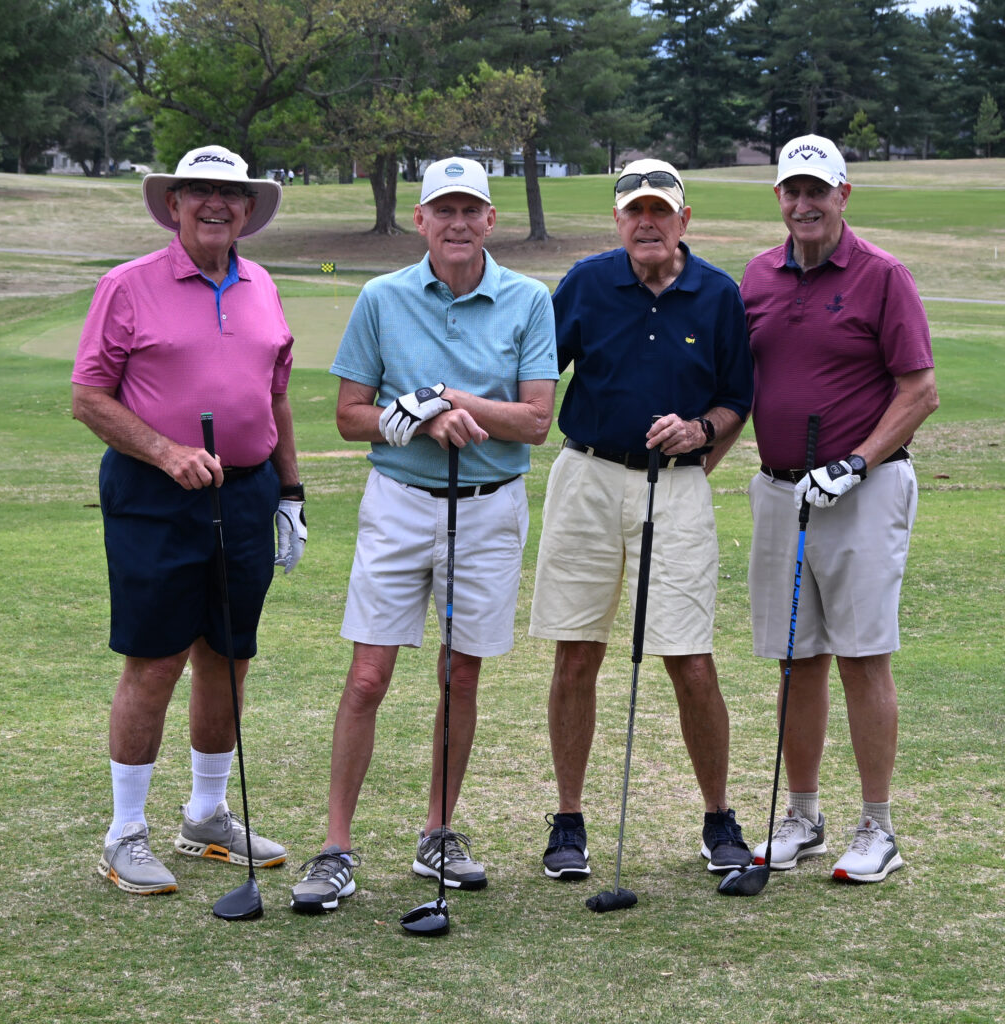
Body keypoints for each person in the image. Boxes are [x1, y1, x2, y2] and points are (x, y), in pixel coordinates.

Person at [290, 157, 557, 914]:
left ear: (491, 219)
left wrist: (443, 398)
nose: (458, 223)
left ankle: (438, 830)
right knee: (367, 677)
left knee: (459, 674)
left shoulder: (529, 299)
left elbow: (536, 421)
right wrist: (413, 419)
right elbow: (350, 416)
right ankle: (337, 847)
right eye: (444, 210)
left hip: (489, 506)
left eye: (471, 209)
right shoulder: (382, 297)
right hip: (400, 503)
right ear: (421, 220)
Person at [71, 144, 306, 896]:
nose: (215, 204)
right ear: (173, 204)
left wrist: (290, 492)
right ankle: (125, 833)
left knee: (228, 656)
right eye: (198, 191)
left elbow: (275, 397)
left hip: (246, 493)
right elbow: (89, 397)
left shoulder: (262, 284)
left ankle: (206, 815)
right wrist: (166, 452)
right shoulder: (127, 285)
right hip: (154, 494)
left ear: (248, 209)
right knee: (156, 658)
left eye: (229, 194)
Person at [529, 159, 755, 883]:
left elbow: (737, 399)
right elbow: (538, 375)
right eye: (635, 211)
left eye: (661, 210)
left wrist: (701, 432)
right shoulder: (587, 283)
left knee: (691, 658)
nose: (648, 222)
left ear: (684, 219)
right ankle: (568, 820)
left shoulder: (717, 294)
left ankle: (718, 817)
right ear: (618, 220)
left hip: (678, 484)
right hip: (588, 476)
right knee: (577, 653)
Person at [740, 134, 938, 883]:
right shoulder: (757, 276)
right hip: (779, 491)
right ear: (779, 198)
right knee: (797, 661)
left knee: (862, 656)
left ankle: (878, 828)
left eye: (817, 191)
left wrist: (856, 462)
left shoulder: (883, 276)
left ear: (842, 195)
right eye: (792, 191)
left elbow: (920, 392)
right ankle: (804, 817)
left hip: (863, 490)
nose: (804, 204)